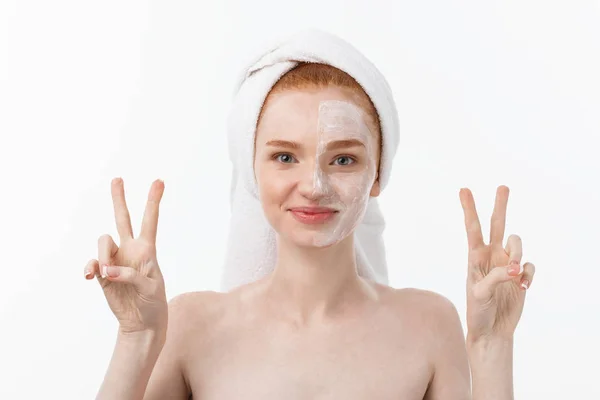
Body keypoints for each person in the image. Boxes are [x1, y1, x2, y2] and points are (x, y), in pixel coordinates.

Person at [84, 31, 535, 400]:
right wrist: (136, 338)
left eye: (343, 160)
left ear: (378, 176)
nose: (314, 185)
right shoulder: (190, 325)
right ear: (252, 171)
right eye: (284, 157)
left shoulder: (429, 324)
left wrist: (493, 345)